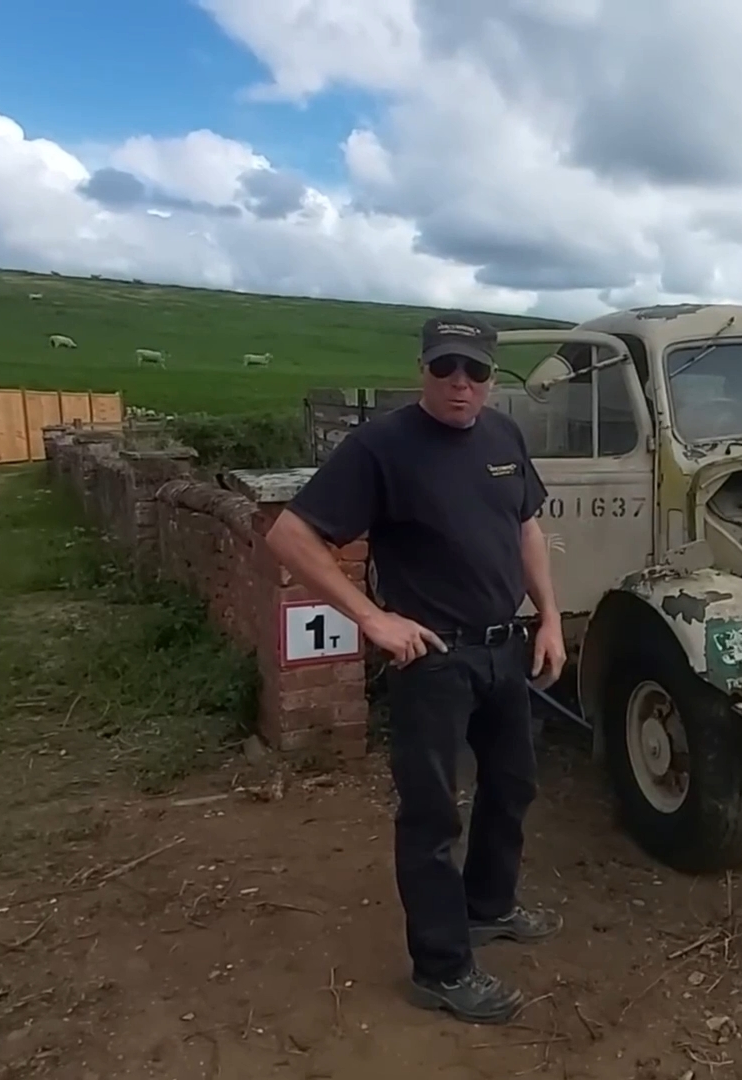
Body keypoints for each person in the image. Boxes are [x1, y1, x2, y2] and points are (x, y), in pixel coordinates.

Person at [264, 312, 568, 1027]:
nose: (460, 383)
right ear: (422, 370)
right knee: (433, 813)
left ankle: (488, 907)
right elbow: (289, 533)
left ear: (492, 378)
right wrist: (370, 617)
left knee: (513, 786)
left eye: (475, 371)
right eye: (445, 368)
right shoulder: (381, 447)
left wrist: (549, 615)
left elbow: (525, 525)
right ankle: (441, 967)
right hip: (431, 658)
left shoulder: (503, 436)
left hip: (504, 647)